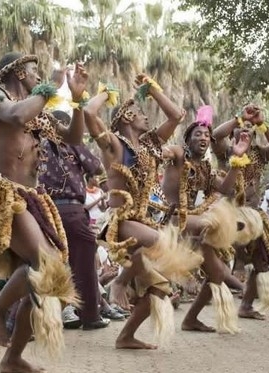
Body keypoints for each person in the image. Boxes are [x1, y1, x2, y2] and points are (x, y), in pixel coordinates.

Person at [0, 52, 88, 372]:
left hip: (34, 198)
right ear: (19, 73)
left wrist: (77, 100)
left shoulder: (39, 112)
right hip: (7, 194)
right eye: (34, 71)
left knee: (48, 279)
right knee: (46, 265)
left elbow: (74, 138)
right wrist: (50, 87)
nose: (39, 76)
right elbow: (14, 116)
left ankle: (11, 359)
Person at [84, 77, 203, 350]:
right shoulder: (114, 145)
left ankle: (126, 336)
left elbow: (177, 115)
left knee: (159, 289)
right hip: (120, 222)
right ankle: (119, 282)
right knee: (161, 242)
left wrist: (153, 89)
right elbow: (89, 113)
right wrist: (106, 93)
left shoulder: (149, 146)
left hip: (143, 223)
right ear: (127, 116)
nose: (147, 117)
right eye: (140, 113)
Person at [161, 105, 251, 334]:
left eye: (206, 135)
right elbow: (166, 150)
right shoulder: (179, 156)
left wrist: (237, 160)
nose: (203, 137)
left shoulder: (207, 168)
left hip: (194, 222)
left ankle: (190, 319)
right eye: (197, 134)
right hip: (172, 220)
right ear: (188, 140)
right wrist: (162, 151)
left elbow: (227, 190)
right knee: (209, 222)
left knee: (218, 274)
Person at [211, 104, 269, 320]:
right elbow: (216, 135)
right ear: (233, 132)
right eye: (240, 128)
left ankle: (245, 305)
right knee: (223, 259)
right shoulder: (226, 152)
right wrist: (239, 118)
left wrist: (261, 122)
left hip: (253, 213)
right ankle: (236, 269)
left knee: (262, 260)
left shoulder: (261, 154)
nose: (245, 131)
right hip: (229, 213)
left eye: (249, 129)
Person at [38, 109, 110, 330]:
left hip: (44, 212)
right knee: (85, 264)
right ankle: (90, 316)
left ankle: (42, 318)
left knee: (50, 265)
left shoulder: (34, 144)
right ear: (65, 126)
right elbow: (96, 166)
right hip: (71, 211)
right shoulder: (71, 143)